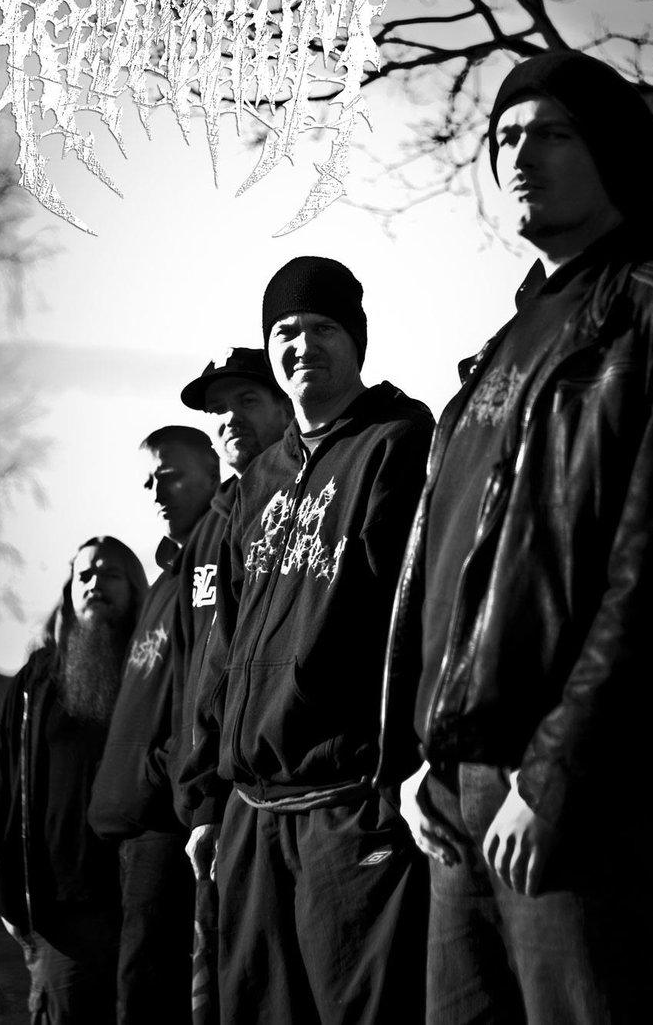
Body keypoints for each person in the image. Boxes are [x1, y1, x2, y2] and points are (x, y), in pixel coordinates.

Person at [387, 50, 653, 1023]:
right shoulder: (503, 346)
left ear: (613, 152)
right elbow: (449, 568)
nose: (519, 155)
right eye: (505, 137)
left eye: (551, 133)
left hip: (580, 788)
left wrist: (560, 772)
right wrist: (418, 757)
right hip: (456, 793)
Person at [183, 256, 434, 1024]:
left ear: (356, 339)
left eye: (323, 327)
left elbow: (424, 616)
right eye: (286, 331)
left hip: (349, 804)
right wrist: (206, 799)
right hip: (251, 813)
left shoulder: (398, 443)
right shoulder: (257, 482)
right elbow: (222, 650)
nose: (302, 345)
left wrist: (415, 764)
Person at [0, 536, 148, 1025]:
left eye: (110, 573)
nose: (94, 583)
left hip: (145, 901)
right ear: (69, 590)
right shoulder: (36, 681)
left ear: (135, 588)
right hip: (63, 913)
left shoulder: (155, 672)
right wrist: (0, 891)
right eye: (83, 574)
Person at [170, 347, 292, 1020]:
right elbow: (207, 673)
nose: (229, 418)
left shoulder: (308, 498)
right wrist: (199, 797)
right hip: (225, 801)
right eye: (217, 408)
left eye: (247, 400)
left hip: (304, 794)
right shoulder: (215, 527)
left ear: (284, 405)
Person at [87, 426, 218, 1024]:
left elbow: (205, 689)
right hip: (130, 838)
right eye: (148, 481)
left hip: (167, 828)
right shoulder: (167, 579)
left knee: (151, 1001)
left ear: (212, 470)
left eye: (169, 475)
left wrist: (159, 776)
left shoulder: (211, 565)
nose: (156, 491)